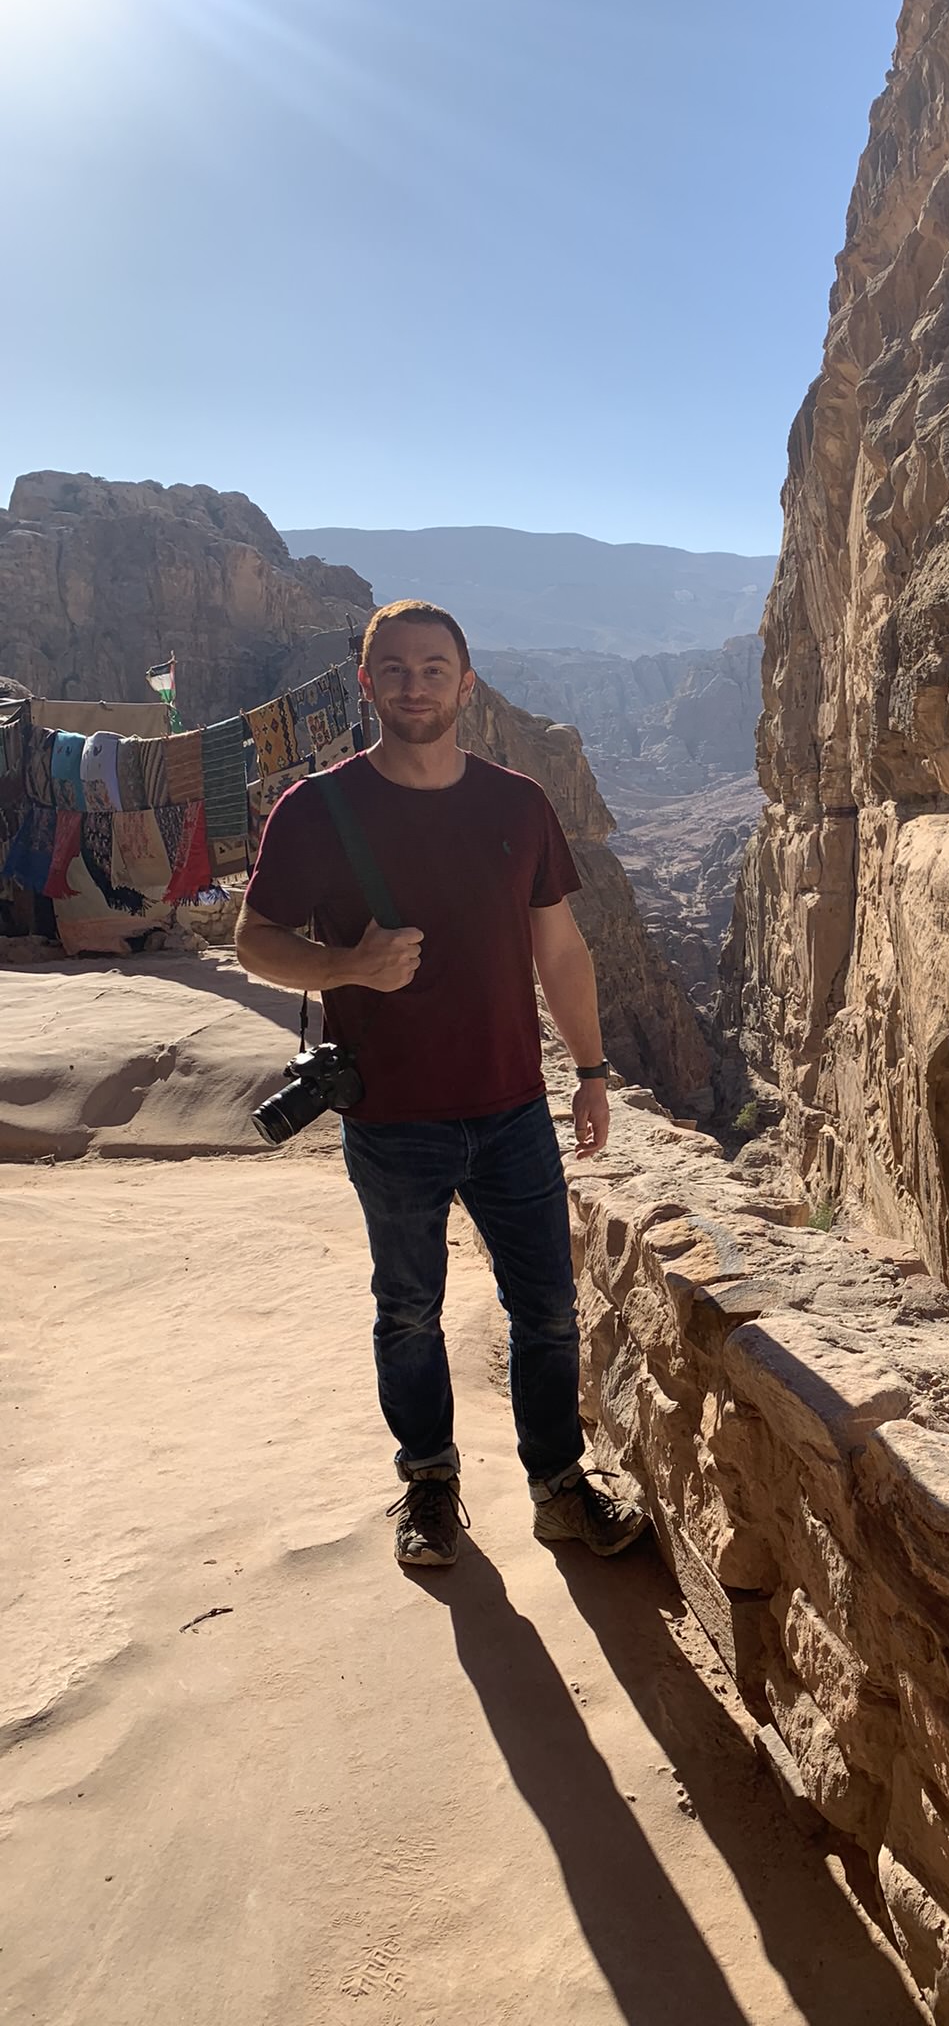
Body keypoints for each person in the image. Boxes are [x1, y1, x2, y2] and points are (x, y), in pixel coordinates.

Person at [234, 598, 647, 1569]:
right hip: (389, 1115)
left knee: (547, 1308)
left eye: (433, 669)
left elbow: (560, 949)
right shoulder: (317, 810)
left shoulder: (517, 804)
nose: (413, 685)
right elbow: (254, 942)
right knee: (408, 1309)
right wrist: (348, 967)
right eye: (394, 668)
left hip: (512, 1106)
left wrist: (590, 1071)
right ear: (366, 682)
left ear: (466, 685)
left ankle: (559, 1486)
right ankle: (427, 1483)